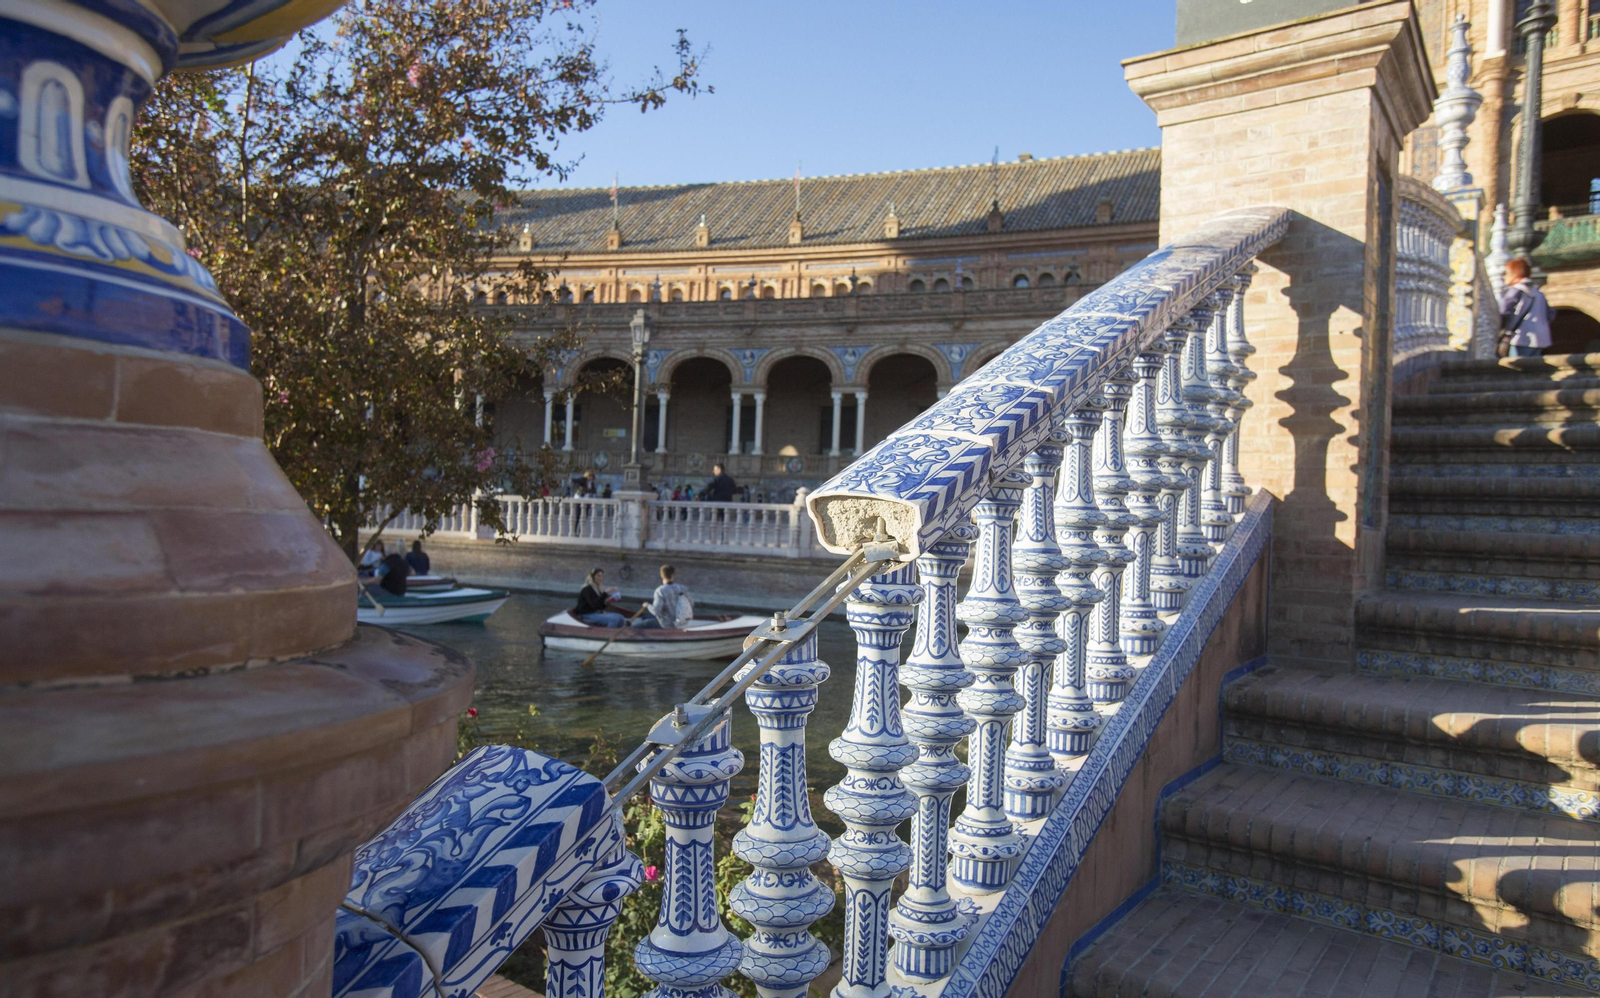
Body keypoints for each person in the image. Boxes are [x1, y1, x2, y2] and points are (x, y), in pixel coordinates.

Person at [1499, 258, 1552, 358]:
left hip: (1521, 337)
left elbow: (1504, 310)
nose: (1504, 277)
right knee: (1533, 365)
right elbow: (1550, 313)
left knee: (1516, 364)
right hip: (1541, 338)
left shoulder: (1516, 290)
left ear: (1514, 273)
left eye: (1506, 273)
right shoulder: (1538, 293)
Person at [630, 564, 691, 630]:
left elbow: (656, 611)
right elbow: (691, 603)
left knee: (634, 627)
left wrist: (647, 605)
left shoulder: (660, 591)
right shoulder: (683, 588)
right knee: (645, 617)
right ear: (672, 575)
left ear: (661, 576)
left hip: (664, 625)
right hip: (680, 623)